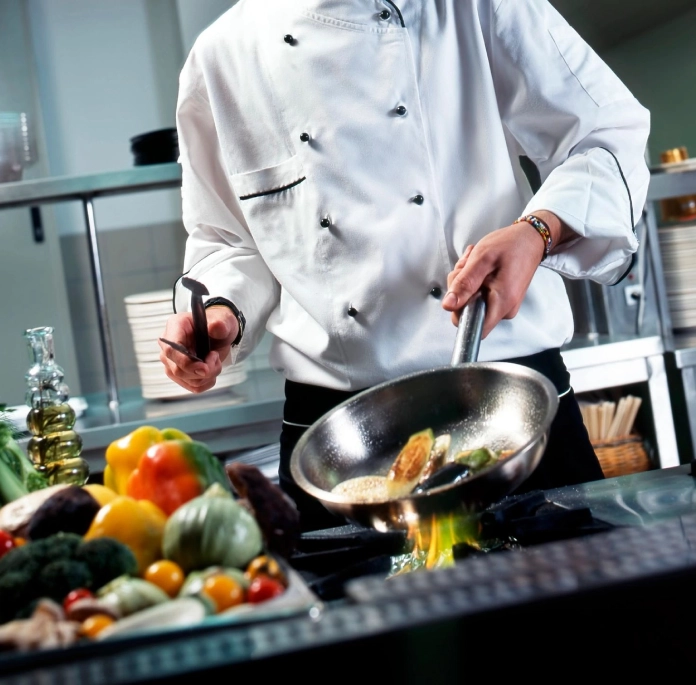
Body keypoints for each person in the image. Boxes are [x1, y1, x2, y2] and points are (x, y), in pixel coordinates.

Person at [159, 0, 650, 531]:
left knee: (573, 606)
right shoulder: (224, 52)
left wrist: (537, 232)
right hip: (337, 436)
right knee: (358, 616)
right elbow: (227, 239)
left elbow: (605, 136)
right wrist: (222, 308)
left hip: (505, 396)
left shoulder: (471, 8)